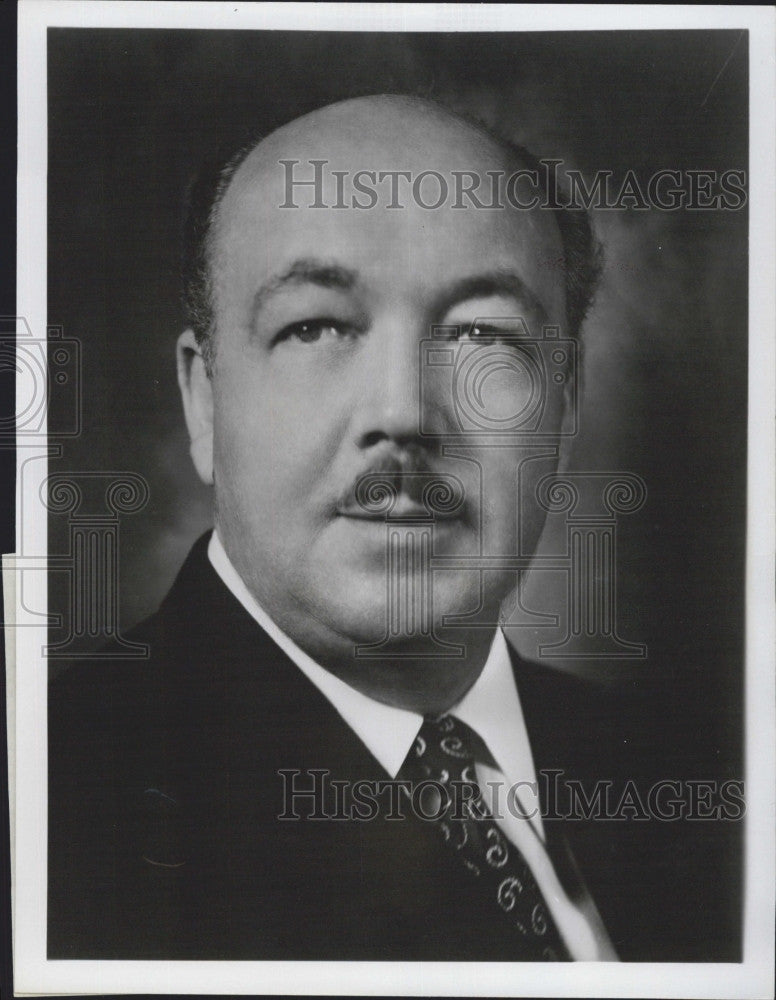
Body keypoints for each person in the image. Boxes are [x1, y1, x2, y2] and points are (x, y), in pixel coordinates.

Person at [47, 94, 726, 963]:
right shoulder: (58, 801)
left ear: (568, 402)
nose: (405, 412)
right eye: (316, 326)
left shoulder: (692, 791)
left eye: (483, 334)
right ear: (203, 398)